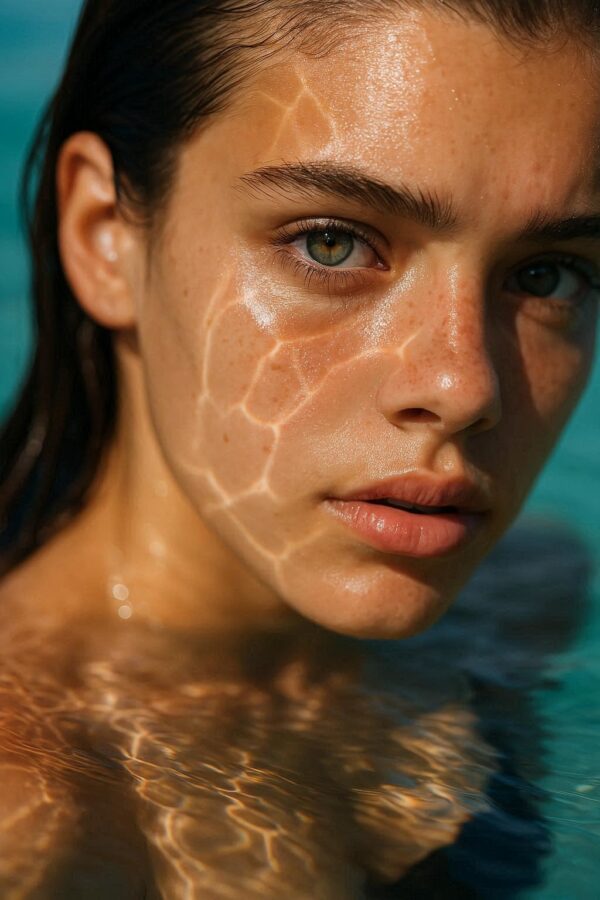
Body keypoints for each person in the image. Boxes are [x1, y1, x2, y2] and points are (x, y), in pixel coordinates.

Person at [0, 0, 598, 896]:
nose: (464, 385)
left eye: (546, 274)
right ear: (103, 237)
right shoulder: (38, 824)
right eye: (333, 243)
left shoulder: (527, 599)